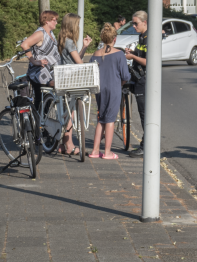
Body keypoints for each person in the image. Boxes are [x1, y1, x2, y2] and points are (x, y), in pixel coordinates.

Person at [89, 24, 131, 159]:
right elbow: (125, 76)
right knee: (110, 119)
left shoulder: (95, 54)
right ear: (115, 38)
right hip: (114, 88)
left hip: (99, 89)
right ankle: (107, 152)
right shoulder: (119, 54)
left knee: (101, 118)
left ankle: (95, 150)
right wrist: (120, 84)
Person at [56, 13, 93, 156]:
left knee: (67, 111)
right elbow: (79, 63)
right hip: (71, 79)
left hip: (65, 78)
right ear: (73, 25)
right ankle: (69, 145)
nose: (79, 26)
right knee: (71, 113)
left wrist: (84, 47)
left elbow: (75, 58)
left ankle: (63, 144)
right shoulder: (70, 41)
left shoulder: (63, 39)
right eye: (77, 24)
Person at [21, 10, 60, 116]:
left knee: (46, 102)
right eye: (54, 20)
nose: (56, 22)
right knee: (41, 103)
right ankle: (39, 129)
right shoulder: (40, 33)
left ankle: (42, 127)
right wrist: (33, 60)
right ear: (47, 21)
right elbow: (25, 44)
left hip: (49, 72)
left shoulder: (50, 33)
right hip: (40, 73)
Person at [124, 11, 148, 158]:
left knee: (145, 114)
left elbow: (148, 61)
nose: (133, 26)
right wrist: (133, 52)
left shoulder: (149, 37)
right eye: (132, 23)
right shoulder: (142, 36)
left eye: (136, 23)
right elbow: (142, 54)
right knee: (143, 114)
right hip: (140, 79)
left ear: (144, 22)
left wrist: (132, 56)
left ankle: (145, 147)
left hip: (144, 79)